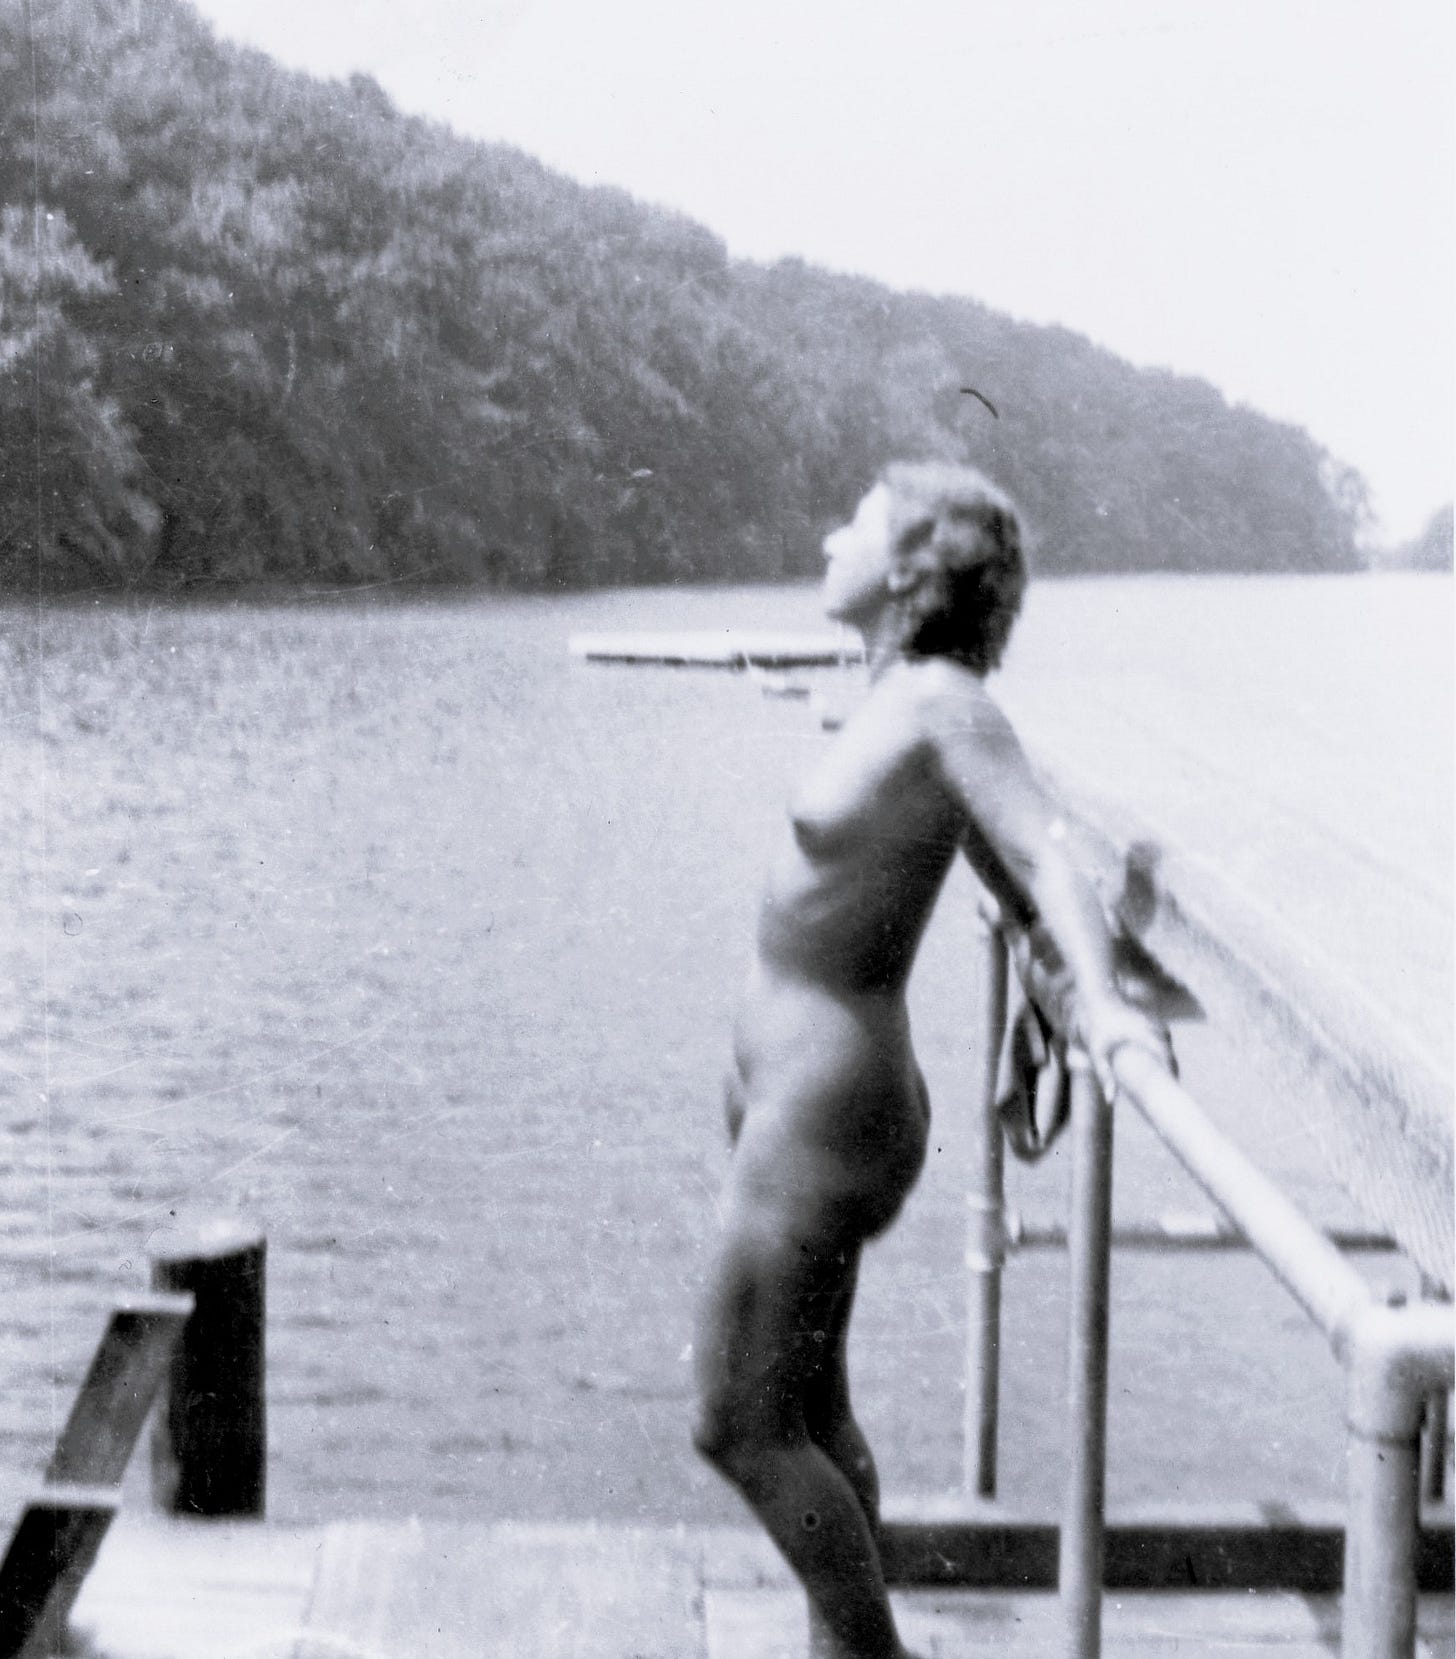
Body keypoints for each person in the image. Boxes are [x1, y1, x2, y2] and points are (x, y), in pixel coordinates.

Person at [691, 461, 1176, 1659]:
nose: (822, 537)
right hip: (792, 1092)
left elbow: (1039, 844)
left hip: (825, 1107)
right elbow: (975, 852)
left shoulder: (946, 703)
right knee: (810, 1407)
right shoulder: (895, 693)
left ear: (909, 569)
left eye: (850, 523)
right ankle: (837, 1646)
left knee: (736, 1425)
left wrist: (1101, 1006)